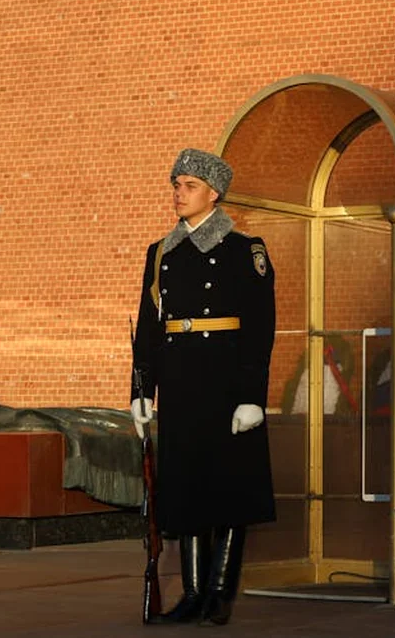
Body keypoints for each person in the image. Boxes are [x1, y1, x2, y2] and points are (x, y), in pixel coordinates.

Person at [130, 148, 276, 627]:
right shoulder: (161, 253)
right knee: (186, 487)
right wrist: (140, 391)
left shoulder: (244, 250)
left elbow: (260, 328)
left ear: (214, 194)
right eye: (176, 185)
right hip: (180, 382)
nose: (179, 193)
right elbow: (149, 329)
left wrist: (252, 396)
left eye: (189, 186)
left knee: (229, 488)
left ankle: (219, 593)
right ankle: (192, 594)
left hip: (227, 382)